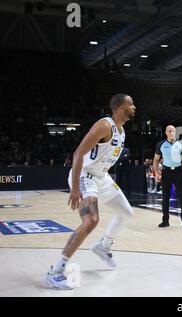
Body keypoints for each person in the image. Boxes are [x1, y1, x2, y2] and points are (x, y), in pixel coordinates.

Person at [45, 94, 136, 290]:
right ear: (120, 107)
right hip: (86, 175)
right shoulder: (105, 125)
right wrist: (76, 187)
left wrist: (104, 181)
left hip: (102, 177)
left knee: (126, 212)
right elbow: (78, 153)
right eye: (131, 104)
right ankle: (56, 271)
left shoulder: (122, 131)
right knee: (91, 221)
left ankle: (102, 246)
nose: (134, 107)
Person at [153, 125, 182, 228]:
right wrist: (156, 172)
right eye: (169, 131)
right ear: (166, 132)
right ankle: (165, 221)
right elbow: (156, 159)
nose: (171, 133)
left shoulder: (181, 143)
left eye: (173, 131)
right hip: (166, 171)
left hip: (178, 171)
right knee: (165, 197)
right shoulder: (161, 144)